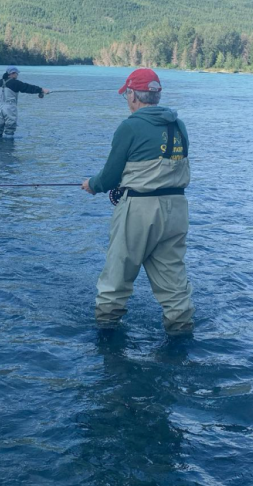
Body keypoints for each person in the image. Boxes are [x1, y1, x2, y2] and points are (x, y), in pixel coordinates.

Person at [81, 67, 194, 333]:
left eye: (127, 95)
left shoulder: (129, 126)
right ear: (156, 95)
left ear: (133, 95)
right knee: (174, 283)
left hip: (140, 211)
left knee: (116, 277)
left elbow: (109, 177)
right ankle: (181, 333)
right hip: (176, 210)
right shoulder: (179, 125)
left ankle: (107, 336)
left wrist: (92, 185)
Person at [0, 67, 50, 138]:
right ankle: (8, 146)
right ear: (12, 74)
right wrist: (41, 90)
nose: (17, 75)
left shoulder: (0, 82)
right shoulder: (15, 83)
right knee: (10, 128)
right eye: (16, 74)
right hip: (9, 108)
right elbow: (27, 88)